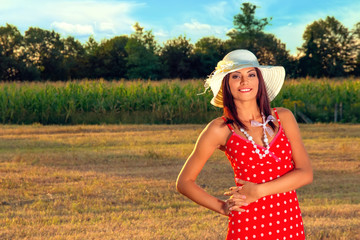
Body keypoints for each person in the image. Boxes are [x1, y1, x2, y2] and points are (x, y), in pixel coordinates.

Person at [176, 49, 313, 239]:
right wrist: (223, 207)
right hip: (247, 224)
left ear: (259, 80)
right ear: (226, 84)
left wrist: (258, 190)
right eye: (235, 76)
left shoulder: (283, 117)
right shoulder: (220, 129)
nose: (244, 81)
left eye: (251, 74)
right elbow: (184, 182)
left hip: (288, 222)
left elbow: (305, 173)